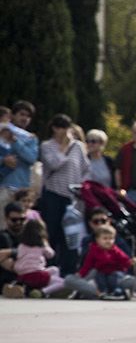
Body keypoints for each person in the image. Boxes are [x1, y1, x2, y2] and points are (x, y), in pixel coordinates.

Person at [38, 114, 88, 276]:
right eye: (61, 128)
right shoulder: (47, 146)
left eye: (67, 128)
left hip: (72, 197)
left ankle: (69, 272)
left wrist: (82, 187)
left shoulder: (78, 146)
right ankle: (49, 269)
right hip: (53, 193)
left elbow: (85, 168)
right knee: (51, 232)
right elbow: (54, 164)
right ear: (54, 129)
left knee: (71, 234)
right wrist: (64, 148)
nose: (64, 131)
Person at [65, 225, 136, 299]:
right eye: (105, 238)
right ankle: (103, 292)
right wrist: (81, 274)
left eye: (111, 238)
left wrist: (130, 262)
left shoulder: (115, 250)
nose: (108, 241)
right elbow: (87, 265)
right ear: (97, 240)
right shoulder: (93, 250)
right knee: (99, 278)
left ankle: (117, 291)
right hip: (100, 272)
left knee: (117, 277)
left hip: (114, 271)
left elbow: (124, 260)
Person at [11, 217, 67, 296]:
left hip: (22, 276)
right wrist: (46, 243)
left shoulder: (21, 245)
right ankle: (43, 292)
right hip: (37, 275)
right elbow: (51, 255)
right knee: (63, 282)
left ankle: (27, 288)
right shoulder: (41, 245)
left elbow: (19, 256)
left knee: (54, 269)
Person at [0, 106, 39, 207]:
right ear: (12, 116)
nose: (25, 118)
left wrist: (15, 141)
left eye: (28, 116)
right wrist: (3, 160)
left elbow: (31, 159)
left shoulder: (31, 138)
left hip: (21, 189)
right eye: (22, 114)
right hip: (3, 186)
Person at [0, 200, 27, 294]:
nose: (19, 222)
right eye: (14, 220)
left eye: (22, 219)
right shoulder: (3, 236)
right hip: (8, 276)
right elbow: (7, 263)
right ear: (6, 219)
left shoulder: (30, 236)